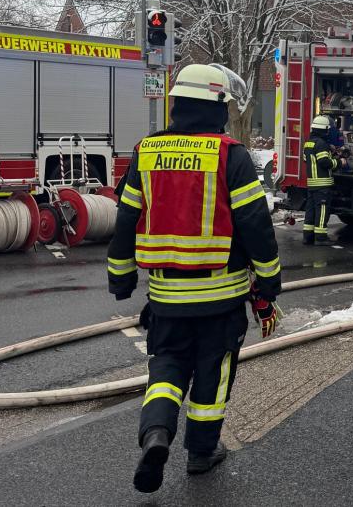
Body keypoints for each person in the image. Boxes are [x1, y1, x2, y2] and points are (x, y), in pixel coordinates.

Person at [107, 63, 282, 493]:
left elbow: (126, 219)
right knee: (213, 373)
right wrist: (269, 281)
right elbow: (255, 225)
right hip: (221, 297)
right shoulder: (231, 156)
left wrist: (121, 277)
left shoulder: (146, 152)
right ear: (217, 106)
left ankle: (156, 433)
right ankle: (201, 453)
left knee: (165, 368)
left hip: (167, 297)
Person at [303, 115, 345, 245]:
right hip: (322, 184)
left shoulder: (309, 143)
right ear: (324, 130)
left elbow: (307, 159)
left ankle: (308, 237)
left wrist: (329, 151)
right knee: (322, 211)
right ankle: (320, 238)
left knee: (310, 210)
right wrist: (339, 162)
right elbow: (324, 162)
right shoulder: (321, 144)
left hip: (312, 183)